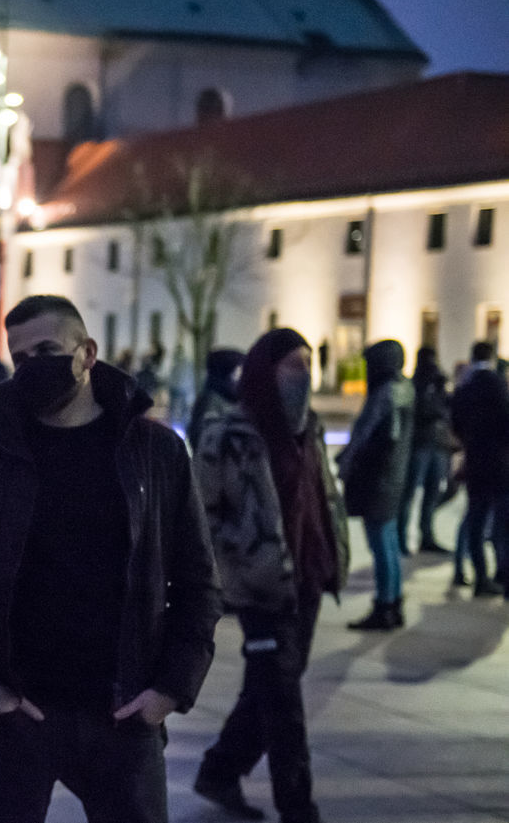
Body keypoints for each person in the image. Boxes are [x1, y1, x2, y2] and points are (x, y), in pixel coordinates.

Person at [0, 295, 220, 823]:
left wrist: (169, 689)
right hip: (16, 717)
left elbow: (198, 582)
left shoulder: (154, 454)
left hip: (124, 715)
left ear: (87, 354)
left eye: (47, 350)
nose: (32, 367)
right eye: (20, 358)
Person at [192, 328, 348, 823]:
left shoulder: (310, 430)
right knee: (284, 700)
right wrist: (238, 563)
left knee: (270, 686)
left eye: (308, 363)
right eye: (293, 365)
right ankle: (298, 807)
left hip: (308, 578)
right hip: (262, 588)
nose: (305, 374)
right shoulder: (229, 434)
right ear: (265, 370)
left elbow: (321, 499)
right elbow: (200, 512)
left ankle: (220, 769)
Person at [338, 339, 414, 630]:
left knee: (381, 544)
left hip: (379, 481)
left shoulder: (386, 394)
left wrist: (351, 462)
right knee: (389, 542)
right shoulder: (404, 388)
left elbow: (376, 437)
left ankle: (384, 605)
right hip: (392, 478)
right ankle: (392, 602)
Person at [450, 340, 509, 597]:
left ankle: (480, 577)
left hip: (476, 461)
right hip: (501, 463)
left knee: (475, 518)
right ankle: (503, 574)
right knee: (501, 522)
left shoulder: (466, 388)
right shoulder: (500, 387)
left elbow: (455, 422)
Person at [397, 346, 454, 555]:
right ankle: (402, 538)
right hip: (421, 445)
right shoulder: (416, 384)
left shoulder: (437, 382)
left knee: (432, 492)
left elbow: (447, 409)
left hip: (437, 445)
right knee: (410, 493)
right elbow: (424, 410)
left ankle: (426, 536)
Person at [186, 347, 245, 453]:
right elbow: (203, 439)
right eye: (239, 371)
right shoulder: (212, 401)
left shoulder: (228, 398)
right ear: (228, 372)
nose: (242, 377)